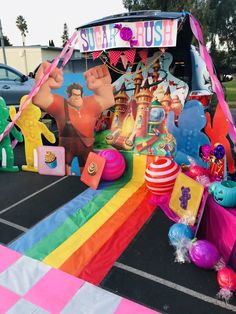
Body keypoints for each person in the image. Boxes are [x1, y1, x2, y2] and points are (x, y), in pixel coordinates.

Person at [33, 62, 114, 169]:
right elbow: (40, 99)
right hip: (65, 154)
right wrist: (43, 81)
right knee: (66, 177)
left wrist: (103, 84)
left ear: (83, 95)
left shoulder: (90, 104)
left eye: (78, 95)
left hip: (87, 153)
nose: (76, 98)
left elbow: (108, 100)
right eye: (73, 95)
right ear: (67, 95)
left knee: (86, 181)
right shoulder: (61, 105)